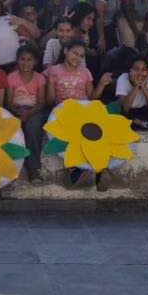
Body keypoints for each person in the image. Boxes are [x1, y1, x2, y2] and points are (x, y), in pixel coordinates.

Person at [46, 39, 115, 189]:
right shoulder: (54, 71)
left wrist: (102, 84)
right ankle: (76, 170)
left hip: (84, 112)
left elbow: (91, 98)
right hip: (62, 113)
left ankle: (100, 170)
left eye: (81, 56)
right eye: (74, 53)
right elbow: (51, 101)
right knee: (72, 135)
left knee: (97, 134)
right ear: (66, 51)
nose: (77, 58)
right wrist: (51, 83)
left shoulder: (86, 73)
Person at [6, 43, 47, 183]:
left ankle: (33, 169)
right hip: (15, 110)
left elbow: (41, 103)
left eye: (29, 59)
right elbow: (8, 102)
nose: (25, 63)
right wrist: (17, 112)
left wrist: (28, 114)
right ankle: (9, 170)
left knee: (33, 126)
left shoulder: (40, 78)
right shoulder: (11, 77)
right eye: (22, 59)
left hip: (34, 111)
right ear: (17, 60)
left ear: (35, 61)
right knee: (10, 127)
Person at [116, 51, 148, 129]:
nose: (140, 73)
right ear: (130, 70)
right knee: (122, 114)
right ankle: (141, 123)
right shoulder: (123, 78)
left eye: (143, 69)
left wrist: (143, 86)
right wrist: (136, 85)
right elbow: (125, 107)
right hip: (129, 112)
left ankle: (142, 123)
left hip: (145, 111)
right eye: (136, 69)